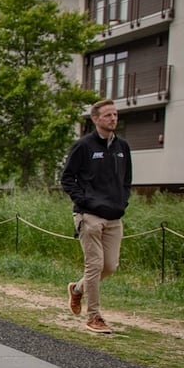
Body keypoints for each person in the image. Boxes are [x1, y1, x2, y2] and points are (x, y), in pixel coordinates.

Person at [60, 99, 131, 334]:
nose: (113, 118)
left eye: (115, 115)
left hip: (114, 216)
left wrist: (123, 201)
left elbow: (126, 180)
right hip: (89, 215)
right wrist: (83, 202)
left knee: (110, 266)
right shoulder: (84, 146)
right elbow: (67, 178)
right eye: (108, 115)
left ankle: (77, 290)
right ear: (96, 119)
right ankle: (94, 317)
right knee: (95, 264)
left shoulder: (123, 147)